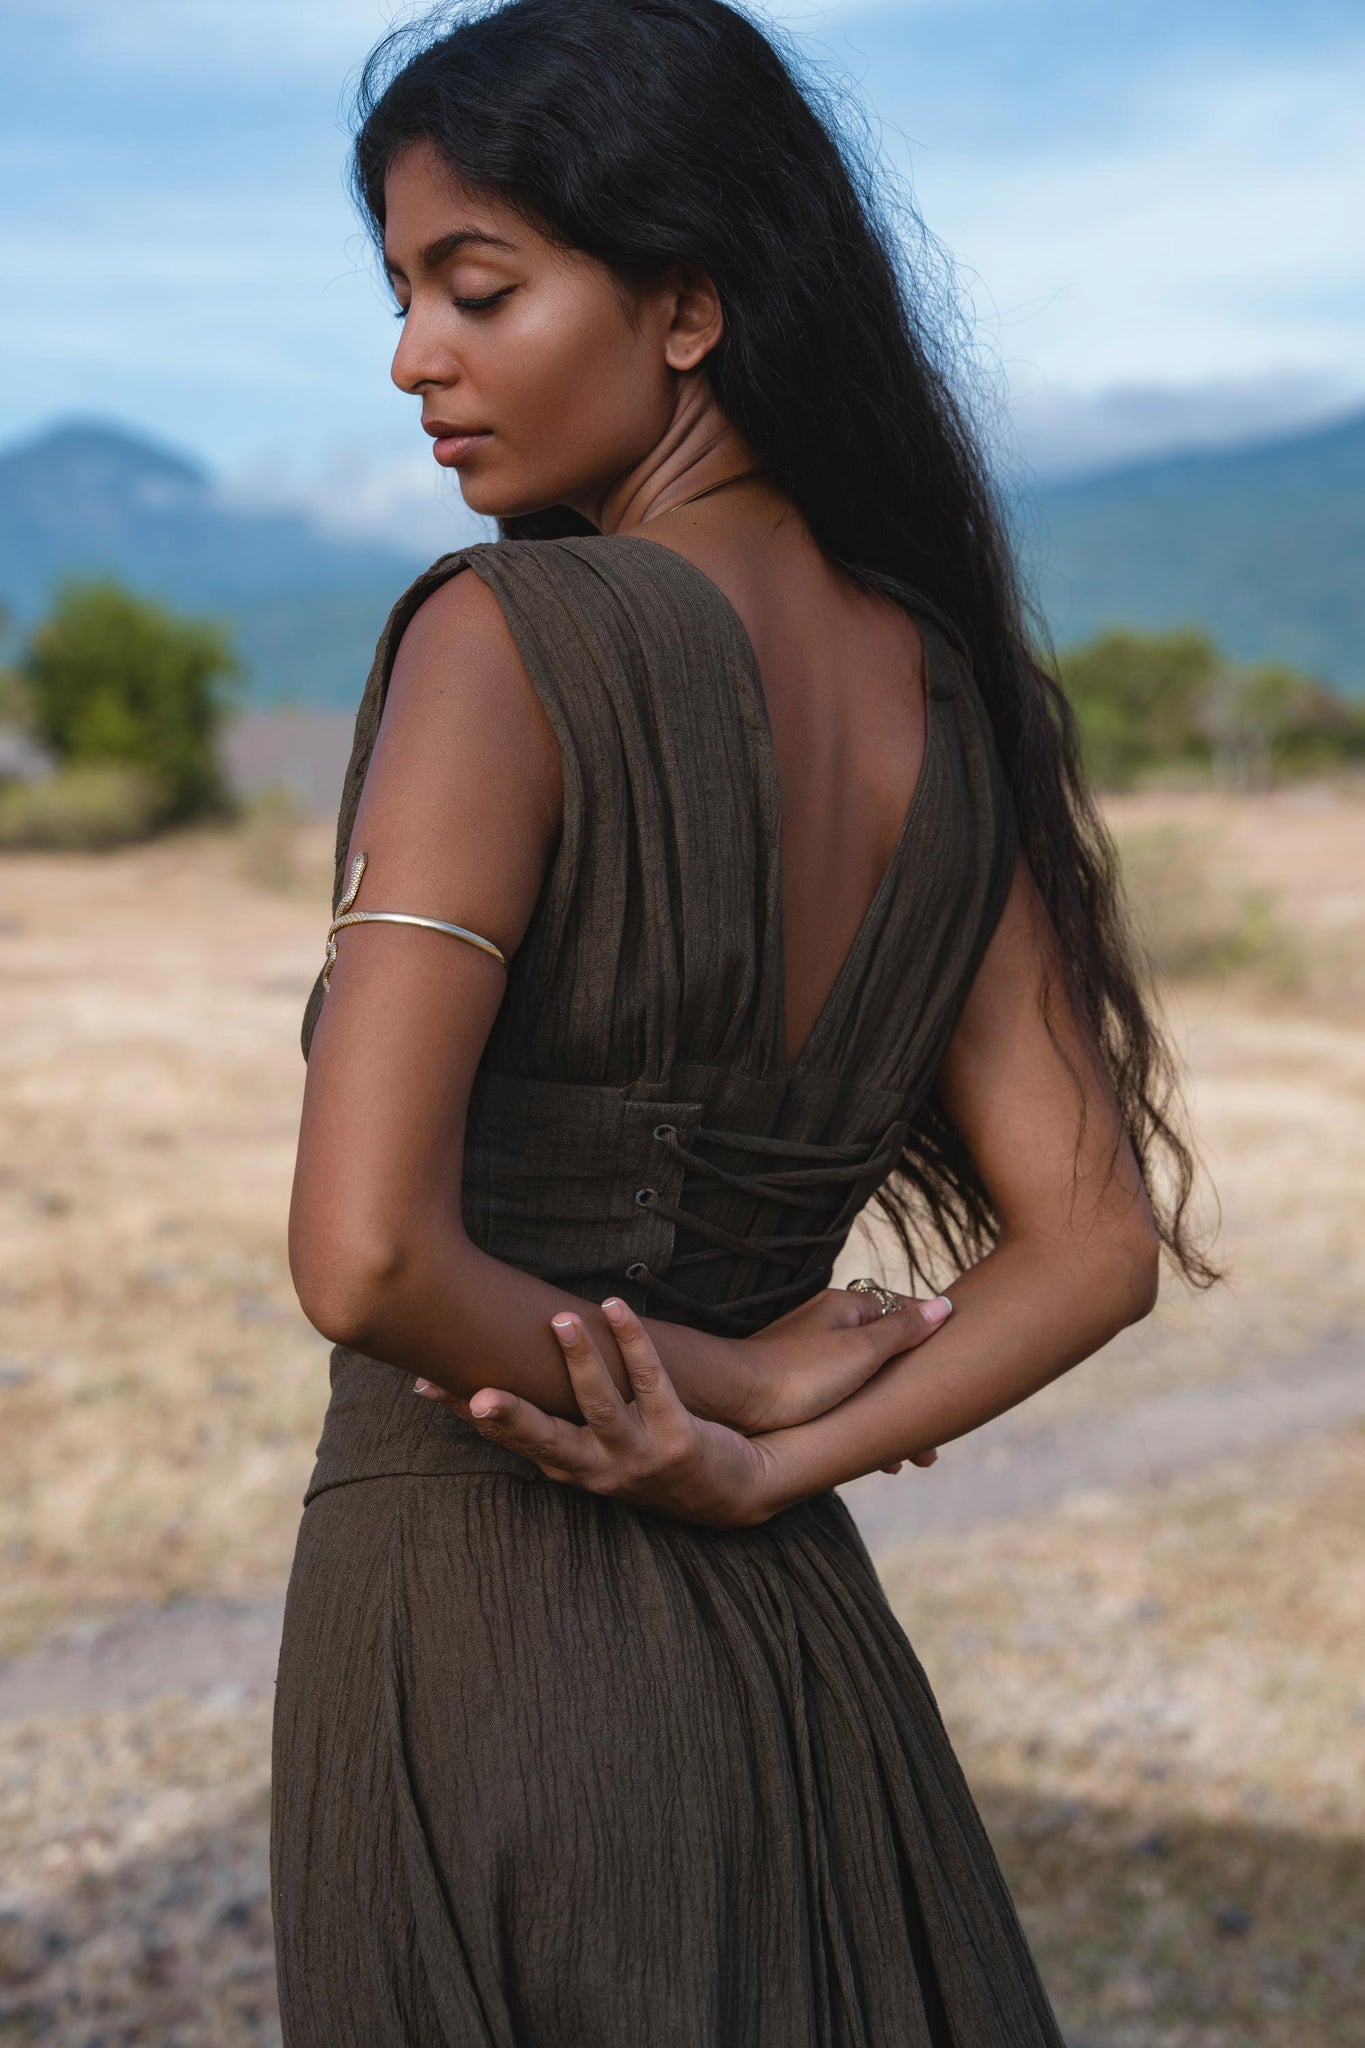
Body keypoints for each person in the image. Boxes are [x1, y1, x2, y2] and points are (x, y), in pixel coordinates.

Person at [270, 1, 1214, 2040]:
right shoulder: (945, 700)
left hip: (482, 1615)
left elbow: (361, 1256)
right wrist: (763, 1445)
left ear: (686, 304)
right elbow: (1091, 1248)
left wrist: (724, 1391)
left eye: (477, 285)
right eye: (405, 293)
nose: (413, 358)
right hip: (786, 1640)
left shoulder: (500, 643)